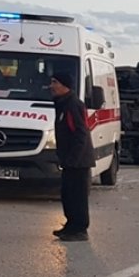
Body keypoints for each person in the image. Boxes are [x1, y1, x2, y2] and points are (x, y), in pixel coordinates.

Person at [49, 72, 94, 241]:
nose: (51, 86)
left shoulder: (73, 105)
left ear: (65, 85)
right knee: (67, 195)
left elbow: (80, 134)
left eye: (55, 82)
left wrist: (73, 159)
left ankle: (79, 229)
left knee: (78, 196)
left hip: (78, 161)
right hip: (68, 160)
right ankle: (70, 226)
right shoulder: (62, 104)